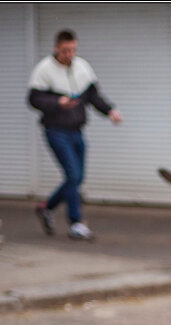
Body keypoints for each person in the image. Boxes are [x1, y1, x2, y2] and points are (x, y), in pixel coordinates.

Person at [27, 30, 122, 241]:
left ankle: (46, 207)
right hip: (55, 130)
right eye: (65, 50)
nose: (69, 54)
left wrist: (110, 111)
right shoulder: (44, 70)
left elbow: (93, 96)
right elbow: (33, 99)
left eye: (73, 50)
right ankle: (76, 223)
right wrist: (57, 102)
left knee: (77, 178)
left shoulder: (82, 67)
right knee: (72, 175)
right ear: (56, 48)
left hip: (77, 130)